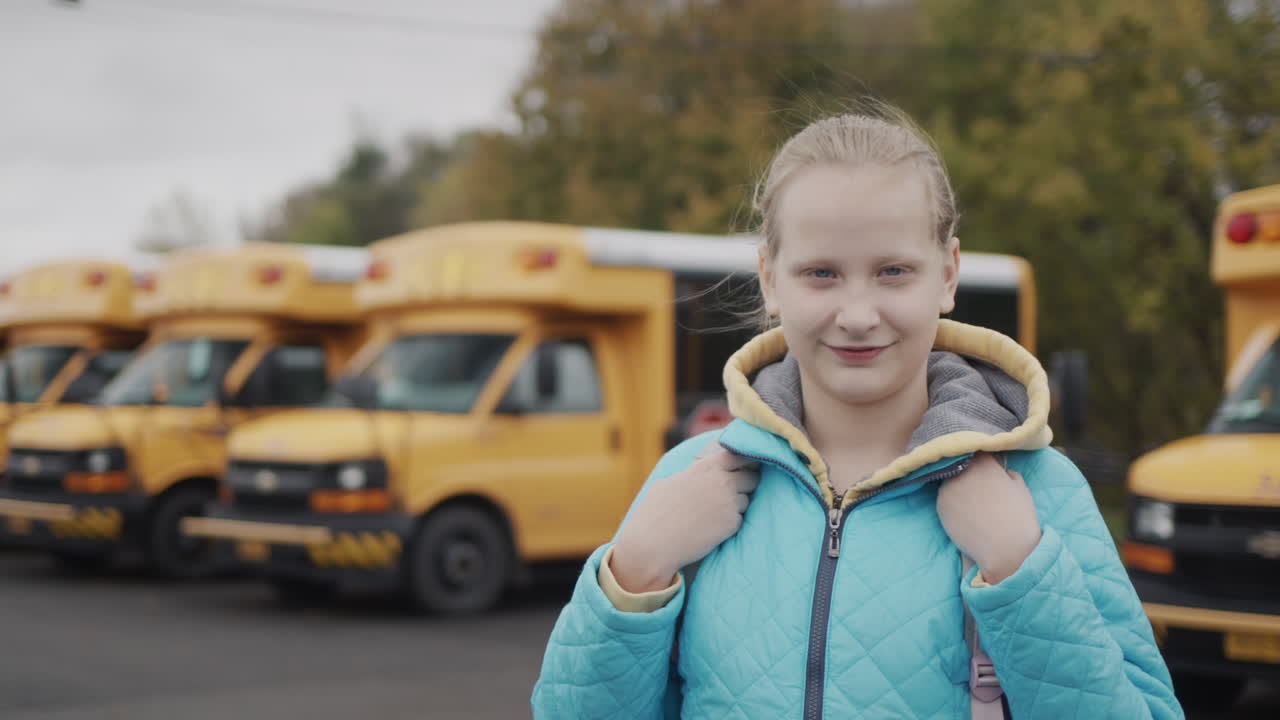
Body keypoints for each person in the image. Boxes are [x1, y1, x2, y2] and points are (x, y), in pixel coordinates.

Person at [532, 108, 1183, 719]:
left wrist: (1020, 568)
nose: (858, 314)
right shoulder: (685, 481)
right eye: (821, 273)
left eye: (893, 270)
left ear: (948, 274)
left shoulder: (1041, 492)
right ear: (769, 279)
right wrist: (634, 572)